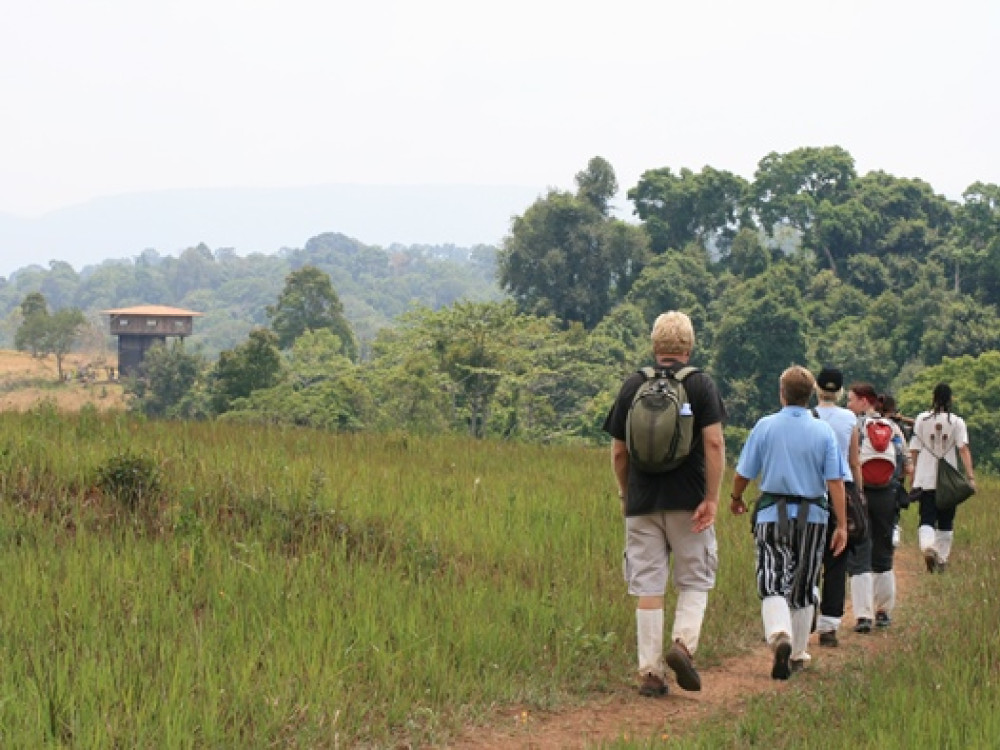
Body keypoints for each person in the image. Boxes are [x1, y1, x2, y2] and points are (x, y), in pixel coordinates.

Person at [603, 311, 726, 697]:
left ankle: (650, 674)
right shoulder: (701, 385)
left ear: (655, 346)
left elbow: (619, 452)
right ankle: (683, 645)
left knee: (648, 586)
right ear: (688, 347)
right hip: (689, 500)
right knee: (695, 578)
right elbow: (715, 444)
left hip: (642, 500)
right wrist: (711, 498)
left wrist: (626, 494)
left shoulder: (632, 385)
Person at [730, 366, 847, 679]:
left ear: (782, 393)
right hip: (815, 518)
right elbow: (835, 481)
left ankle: (779, 633)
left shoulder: (765, 426)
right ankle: (797, 653)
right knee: (804, 582)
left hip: (772, 514)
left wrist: (735, 498)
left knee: (772, 577)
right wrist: (843, 525)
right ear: (809, 395)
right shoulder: (824, 431)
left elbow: (744, 472)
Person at [846, 383, 911, 632]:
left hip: (860, 494)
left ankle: (863, 616)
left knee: (860, 554)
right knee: (883, 554)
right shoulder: (893, 428)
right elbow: (907, 464)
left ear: (865, 401)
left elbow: (850, 462)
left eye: (851, 400)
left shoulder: (857, 427)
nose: (849, 405)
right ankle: (884, 611)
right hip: (888, 494)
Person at [812, 367, 862, 649]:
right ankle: (829, 626)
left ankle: (808, 606)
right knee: (837, 558)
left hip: (812, 492)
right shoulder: (849, 418)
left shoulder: (808, 417)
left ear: (817, 389)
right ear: (841, 392)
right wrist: (859, 494)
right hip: (841, 491)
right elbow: (854, 461)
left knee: (808, 555)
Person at [909, 383, 976, 573]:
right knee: (946, 521)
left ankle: (928, 547)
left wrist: (913, 475)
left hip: (925, 476)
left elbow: (914, 449)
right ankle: (942, 558)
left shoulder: (922, 419)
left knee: (927, 517)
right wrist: (970, 477)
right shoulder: (957, 422)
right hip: (948, 481)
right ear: (950, 399)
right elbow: (963, 449)